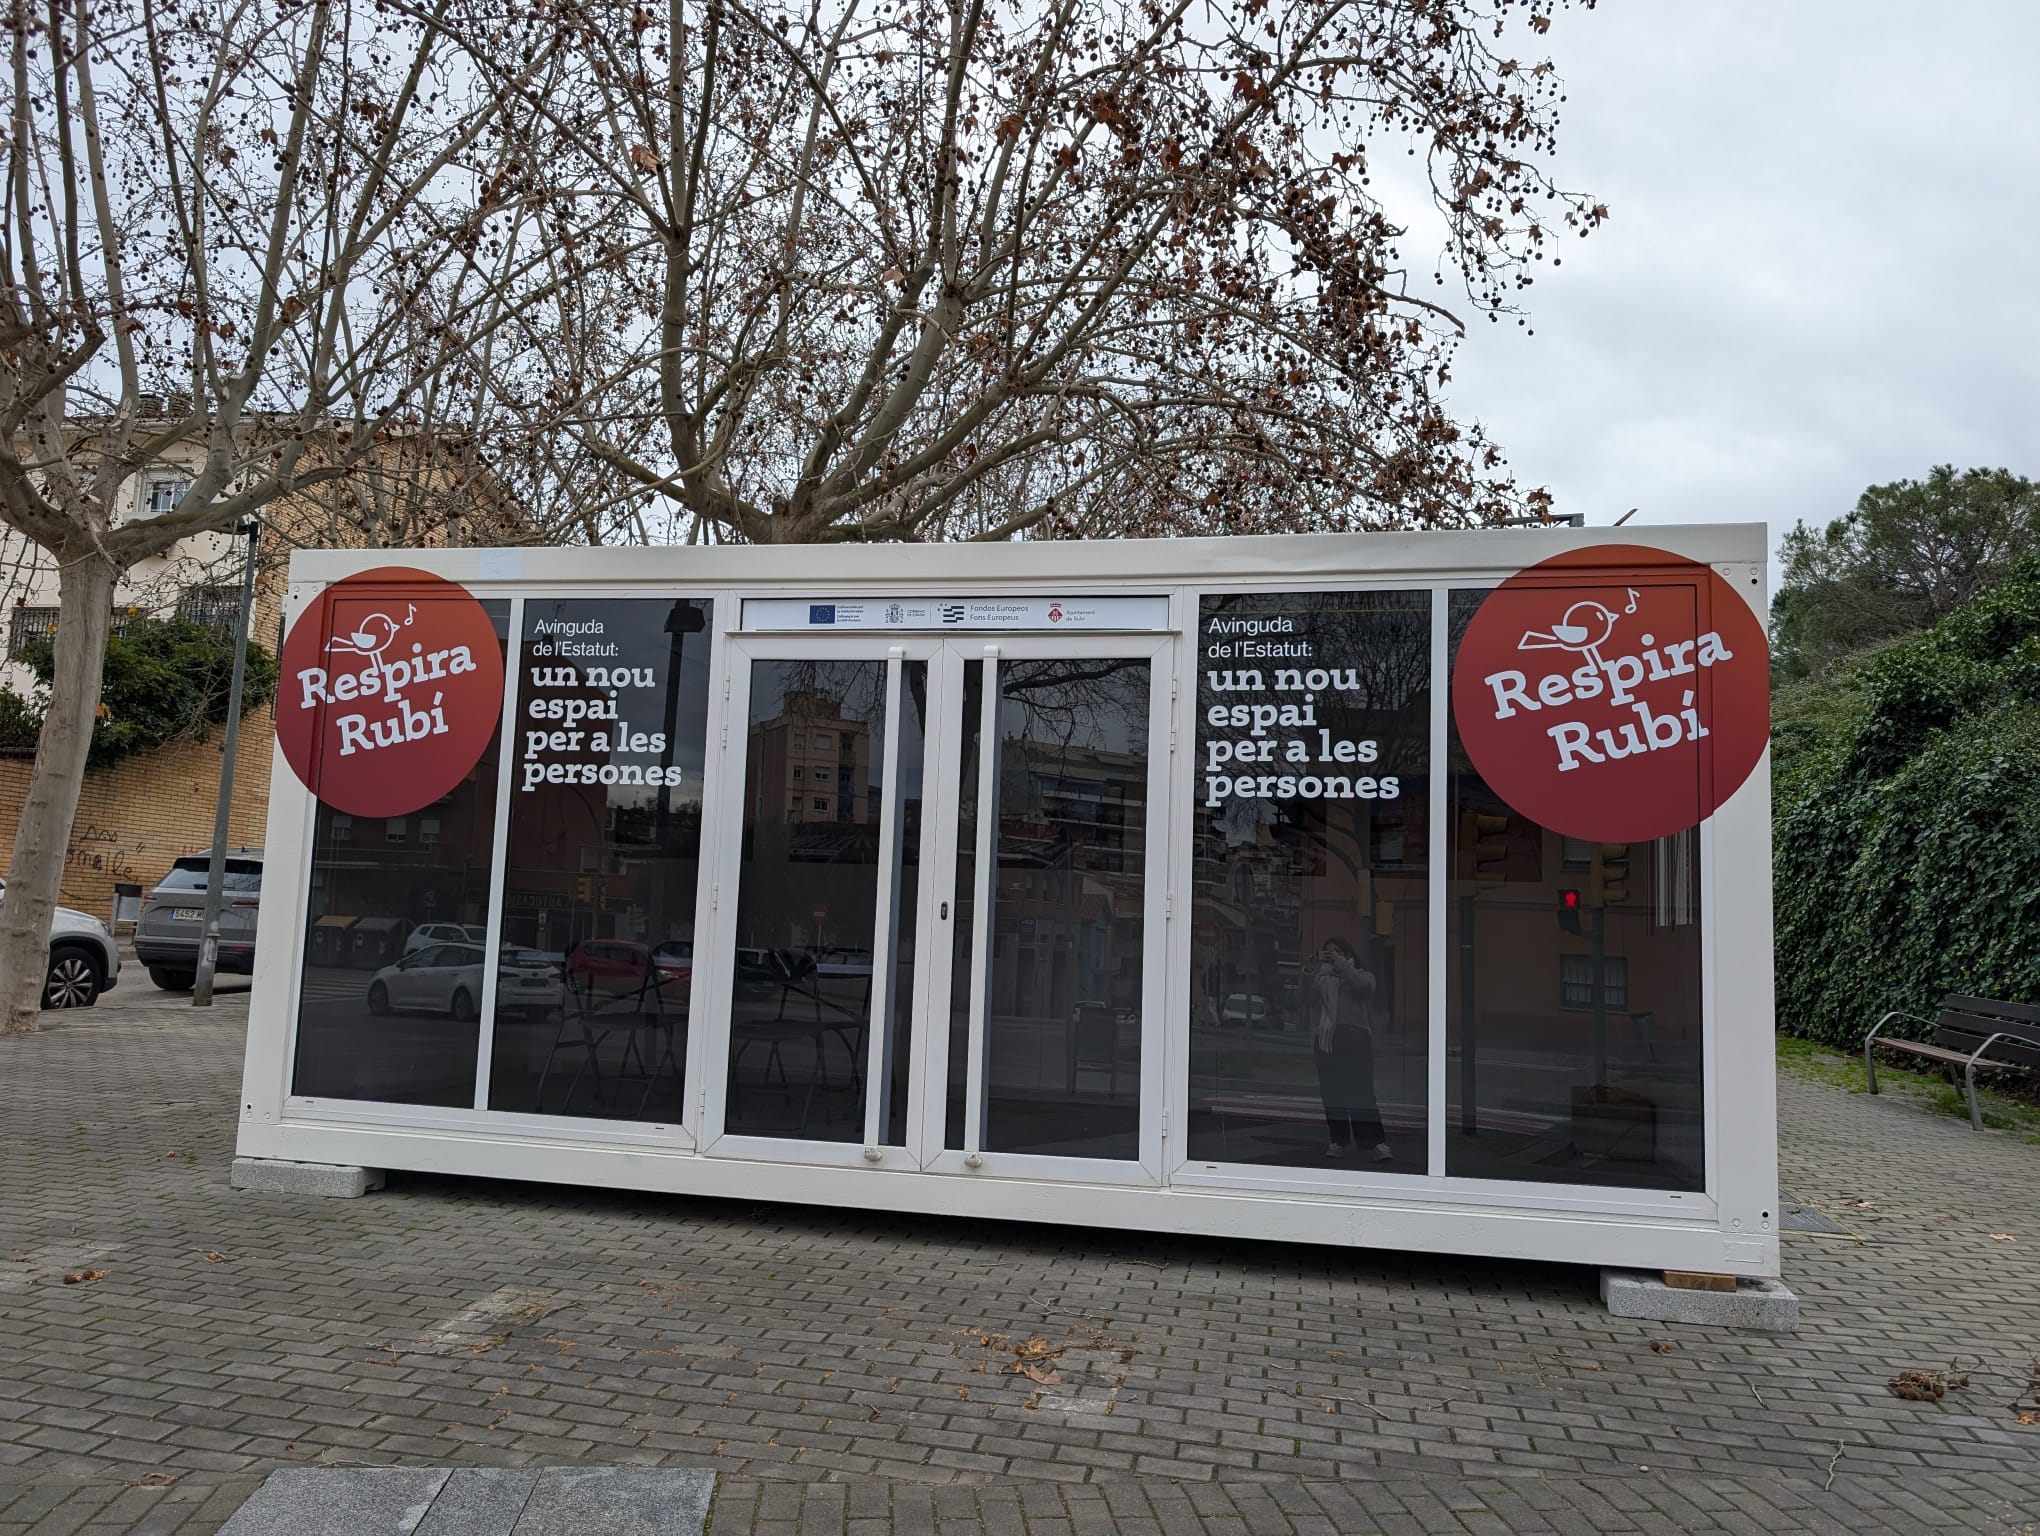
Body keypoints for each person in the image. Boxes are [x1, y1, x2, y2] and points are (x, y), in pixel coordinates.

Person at [1308, 937, 1391, 1162]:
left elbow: (1364, 990)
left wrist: (1342, 966)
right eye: (1328, 953)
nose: (1332, 956)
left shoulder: (1362, 974)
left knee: (1362, 1093)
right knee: (1333, 1093)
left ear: (1347, 953)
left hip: (1355, 1038)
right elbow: (1307, 1000)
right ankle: (1338, 1141)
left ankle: (1375, 1142)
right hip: (1327, 1040)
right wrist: (1313, 970)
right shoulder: (1321, 978)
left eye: (1336, 952)